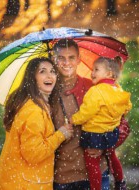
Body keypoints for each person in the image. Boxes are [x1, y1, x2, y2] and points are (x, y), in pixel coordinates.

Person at [0, 57, 73, 190]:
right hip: (25, 184)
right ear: (32, 78)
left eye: (52, 71)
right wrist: (61, 134)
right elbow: (33, 154)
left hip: (18, 181)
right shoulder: (34, 111)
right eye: (42, 71)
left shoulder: (34, 105)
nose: (49, 75)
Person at [50, 39, 111, 190]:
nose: (66, 63)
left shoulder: (94, 88)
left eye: (71, 57)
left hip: (96, 173)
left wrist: (103, 145)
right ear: (54, 59)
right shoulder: (47, 92)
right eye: (61, 58)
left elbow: (119, 124)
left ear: (78, 59)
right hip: (62, 177)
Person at [71, 56, 132, 190]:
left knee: (92, 164)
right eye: (93, 69)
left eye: (96, 70)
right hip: (111, 133)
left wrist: (74, 119)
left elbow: (87, 112)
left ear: (109, 73)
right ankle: (120, 182)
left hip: (95, 134)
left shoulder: (96, 91)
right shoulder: (118, 89)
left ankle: (95, 188)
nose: (92, 73)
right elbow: (127, 107)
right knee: (112, 156)